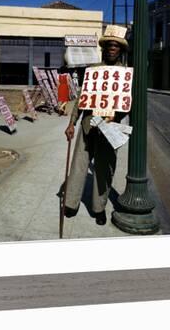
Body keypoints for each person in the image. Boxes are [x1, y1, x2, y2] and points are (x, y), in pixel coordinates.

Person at [62, 25, 129, 226]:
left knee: (103, 170)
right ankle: (71, 204)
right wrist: (71, 123)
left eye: (115, 46)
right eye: (109, 45)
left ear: (120, 50)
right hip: (88, 125)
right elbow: (82, 98)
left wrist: (117, 117)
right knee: (78, 167)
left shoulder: (125, 74)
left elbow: (127, 104)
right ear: (104, 48)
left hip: (110, 129)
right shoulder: (93, 71)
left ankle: (99, 209)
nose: (111, 49)